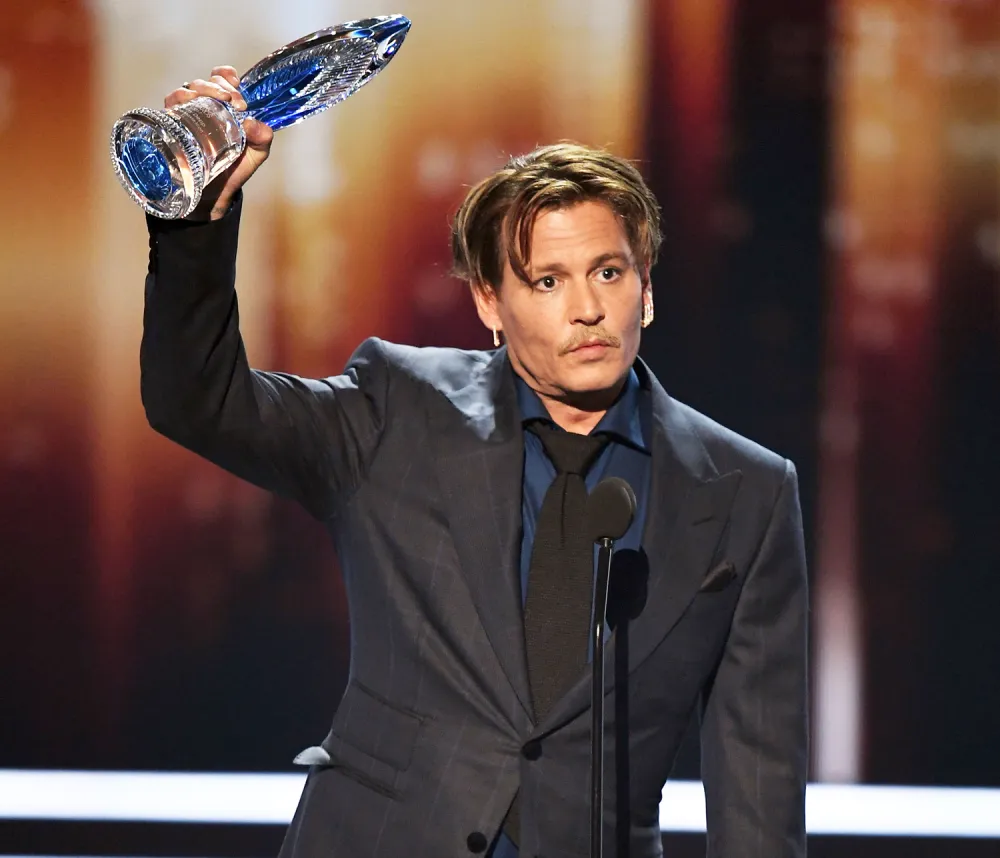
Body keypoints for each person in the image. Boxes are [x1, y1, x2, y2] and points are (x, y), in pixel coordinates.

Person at [142, 69, 808, 858]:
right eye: (548, 281)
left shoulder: (747, 493)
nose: (587, 309)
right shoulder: (398, 409)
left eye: (609, 272)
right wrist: (192, 224)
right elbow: (200, 403)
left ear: (646, 289)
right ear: (490, 303)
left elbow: (758, 777)